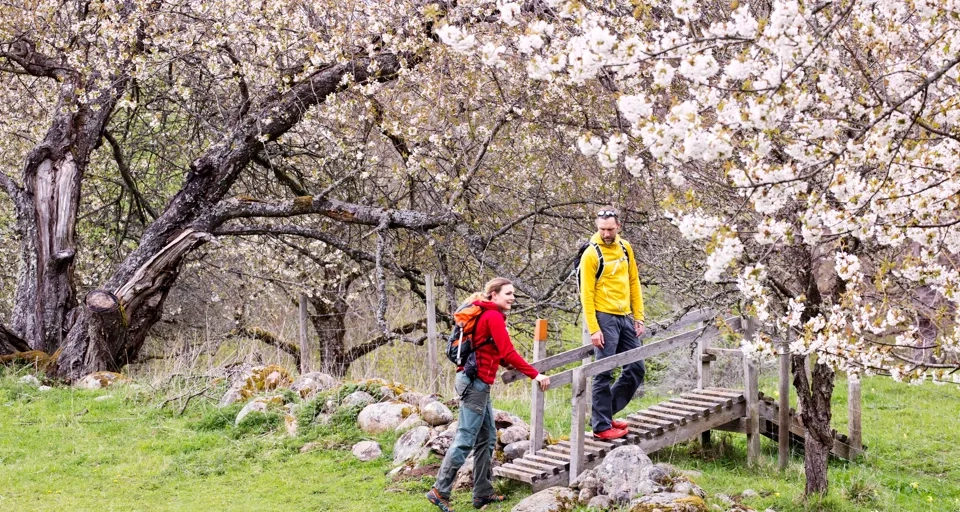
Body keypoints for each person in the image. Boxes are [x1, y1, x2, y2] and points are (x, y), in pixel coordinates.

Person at [427, 277, 550, 512]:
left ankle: (482, 492)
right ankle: (439, 490)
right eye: (508, 293)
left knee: (488, 437)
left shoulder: (489, 315)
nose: (513, 297)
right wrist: (535, 374)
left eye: (513, 293)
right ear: (494, 294)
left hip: (477, 382)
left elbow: (496, 352)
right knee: (465, 438)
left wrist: (510, 365)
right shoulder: (492, 316)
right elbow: (508, 352)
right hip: (474, 384)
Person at [578, 207, 646, 440]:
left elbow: (634, 281)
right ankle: (601, 427)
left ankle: (605, 415)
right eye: (602, 229)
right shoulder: (591, 254)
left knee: (636, 368)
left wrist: (639, 316)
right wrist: (594, 328)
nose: (606, 234)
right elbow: (586, 294)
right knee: (603, 371)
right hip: (604, 317)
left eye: (610, 229)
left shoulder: (625, 248)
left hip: (625, 316)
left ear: (618, 226)